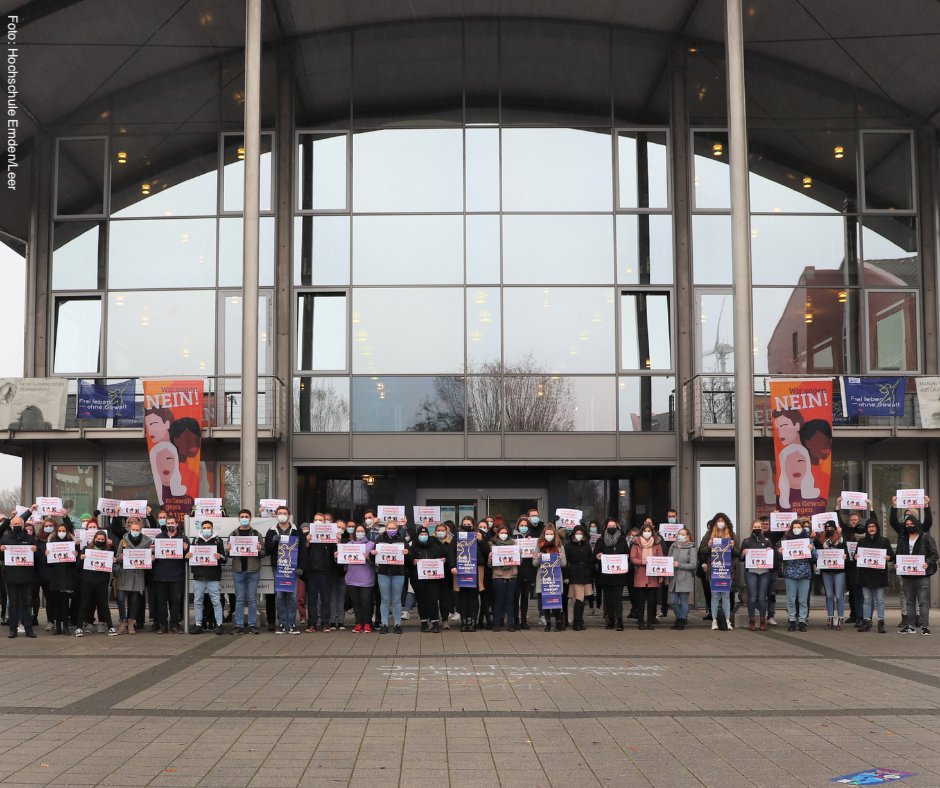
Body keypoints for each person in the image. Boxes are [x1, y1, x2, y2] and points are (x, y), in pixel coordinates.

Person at [889, 495, 933, 630]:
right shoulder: (902, 529)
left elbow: (929, 521)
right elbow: (893, 521)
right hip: (905, 567)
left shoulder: (922, 530)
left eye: (910, 515)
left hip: (919, 568)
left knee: (920, 595)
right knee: (905, 593)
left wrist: (926, 506)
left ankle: (919, 618)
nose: (907, 518)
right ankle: (906, 617)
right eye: (905, 516)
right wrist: (894, 505)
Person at [894, 513, 938, 636]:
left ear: (917, 524)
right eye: (907, 524)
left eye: (912, 524)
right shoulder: (903, 539)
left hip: (922, 575)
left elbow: (934, 555)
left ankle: (925, 626)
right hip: (907, 575)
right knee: (909, 601)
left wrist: (927, 563)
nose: (909, 526)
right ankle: (910, 626)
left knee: (923, 601)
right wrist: (897, 564)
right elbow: (898, 555)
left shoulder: (926, 538)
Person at [264, 505, 301, 634]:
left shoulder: (296, 531)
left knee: (292, 596)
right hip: (278, 568)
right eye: (280, 513)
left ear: (288, 515)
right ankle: (282, 624)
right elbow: (267, 551)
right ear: (276, 515)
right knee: (279, 596)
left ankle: (292, 624)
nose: (282, 515)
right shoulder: (271, 531)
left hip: (292, 568)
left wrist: (301, 567)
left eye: (284, 513)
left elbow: (302, 550)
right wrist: (274, 541)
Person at [227, 510, 265, 634]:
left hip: (253, 570)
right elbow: (228, 554)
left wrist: (259, 549)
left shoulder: (256, 534)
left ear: (250, 518)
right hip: (238, 571)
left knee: (252, 599)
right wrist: (228, 549)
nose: (244, 518)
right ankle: (239, 625)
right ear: (239, 519)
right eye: (242, 517)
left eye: (246, 516)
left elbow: (263, 553)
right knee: (239, 599)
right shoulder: (233, 534)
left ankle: (252, 625)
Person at [699, 514, 739, 631]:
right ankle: (714, 620)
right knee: (715, 595)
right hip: (714, 569)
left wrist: (732, 547)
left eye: (722, 520)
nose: (720, 522)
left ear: (726, 522)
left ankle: (727, 620)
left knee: (726, 595)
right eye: (718, 521)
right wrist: (709, 546)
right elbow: (701, 551)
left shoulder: (732, 535)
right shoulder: (709, 535)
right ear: (715, 523)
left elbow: (738, 552)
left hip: (727, 569)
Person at [836, 496, 872, 625]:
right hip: (850, 565)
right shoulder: (846, 530)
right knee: (851, 591)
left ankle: (861, 615)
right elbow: (838, 520)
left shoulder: (864, 531)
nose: (853, 522)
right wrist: (838, 506)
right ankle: (853, 615)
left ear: (859, 520)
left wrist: (870, 507)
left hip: (862, 565)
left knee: (861, 592)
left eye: (855, 520)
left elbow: (874, 522)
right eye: (851, 520)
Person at [187, 520, 226, 635]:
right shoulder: (195, 541)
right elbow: (189, 558)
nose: (206, 529)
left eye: (208, 527)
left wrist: (220, 556)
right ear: (201, 529)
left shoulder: (218, 541)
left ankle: (219, 624)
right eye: (204, 528)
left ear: (212, 528)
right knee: (197, 601)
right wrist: (188, 556)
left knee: (216, 601)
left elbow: (224, 559)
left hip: (213, 576)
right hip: (199, 576)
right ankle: (198, 624)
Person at [151, 514, 189, 633]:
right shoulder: (159, 538)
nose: (170, 525)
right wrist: (152, 552)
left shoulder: (183, 538)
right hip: (160, 575)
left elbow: (188, 558)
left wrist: (186, 550)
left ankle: (174, 624)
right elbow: (153, 556)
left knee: (176, 601)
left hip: (177, 576)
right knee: (161, 601)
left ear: (177, 524)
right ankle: (163, 625)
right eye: (168, 523)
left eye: (172, 523)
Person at [114, 517, 153, 635]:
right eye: (133, 529)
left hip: (137, 574)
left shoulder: (147, 542)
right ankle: (123, 622)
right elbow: (117, 557)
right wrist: (120, 557)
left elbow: (148, 557)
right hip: (124, 574)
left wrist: (151, 558)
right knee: (121, 599)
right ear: (129, 529)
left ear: (141, 529)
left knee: (135, 600)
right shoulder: (123, 541)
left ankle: (131, 624)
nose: (135, 531)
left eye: (137, 530)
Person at [75, 528, 117, 637]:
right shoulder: (86, 549)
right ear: (94, 539)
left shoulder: (108, 551)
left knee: (104, 605)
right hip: (87, 582)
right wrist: (81, 558)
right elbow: (78, 565)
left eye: (102, 539)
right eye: (98, 539)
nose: (100, 541)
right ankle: (79, 627)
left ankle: (111, 627)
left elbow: (110, 565)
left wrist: (113, 560)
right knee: (84, 604)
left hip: (102, 582)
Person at [0, 515, 37, 637]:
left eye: (19, 524)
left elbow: (36, 558)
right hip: (11, 576)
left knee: (27, 603)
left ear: (23, 525)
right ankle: (13, 629)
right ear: (11, 525)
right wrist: (1, 550)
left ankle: (29, 629)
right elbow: (1, 557)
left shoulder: (30, 539)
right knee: (13, 604)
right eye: (14, 524)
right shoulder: (5, 538)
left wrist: (35, 550)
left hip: (27, 576)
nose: (17, 526)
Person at [856, 517, 894, 634]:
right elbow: (857, 555)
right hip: (865, 574)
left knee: (880, 600)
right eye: (869, 527)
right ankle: (866, 622)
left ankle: (881, 622)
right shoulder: (862, 542)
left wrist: (888, 557)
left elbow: (891, 555)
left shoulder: (884, 541)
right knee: (867, 600)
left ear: (877, 528)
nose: (871, 529)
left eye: (873, 527)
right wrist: (856, 556)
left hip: (879, 575)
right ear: (866, 529)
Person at [778, 517, 817, 632]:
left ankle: (802, 621)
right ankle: (792, 620)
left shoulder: (808, 541)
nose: (796, 529)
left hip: (804, 574)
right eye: (794, 527)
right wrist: (780, 553)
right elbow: (781, 559)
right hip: (790, 574)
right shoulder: (786, 540)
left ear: (802, 528)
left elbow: (815, 558)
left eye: (798, 527)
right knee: (791, 599)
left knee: (803, 600)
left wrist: (811, 550)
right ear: (791, 528)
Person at [371, 517, 409, 634]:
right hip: (383, 573)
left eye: (393, 528)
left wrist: (407, 553)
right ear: (386, 528)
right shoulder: (379, 539)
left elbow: (410, 557)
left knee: (397, 600)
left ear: (397, 529)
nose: (391, 530)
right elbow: (372, 557)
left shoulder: (402, 540)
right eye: (389, 528)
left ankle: (397, 624)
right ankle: (384, 624)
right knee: (385, 600)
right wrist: (372, 553)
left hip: (398, 573)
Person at [301, 514, 336, 632]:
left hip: (325, 573)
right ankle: (312, 624)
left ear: (325, 522)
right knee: (312, 600)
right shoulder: (307, 535)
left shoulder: (330, 535)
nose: (318, 522)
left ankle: (325, 623)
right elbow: (302, 551)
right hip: (311, 573)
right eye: (315, 520)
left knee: (325, 600)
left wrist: (337, 543)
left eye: (320, 520)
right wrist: (307, 542)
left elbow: (335, 552)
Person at [410, 525, 448, 633]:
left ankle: (435, 622)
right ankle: (424, 623)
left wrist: (444, 560)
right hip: (418, 579)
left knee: (433, 599)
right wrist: (413, 561)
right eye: (421, 534)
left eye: (425, 534)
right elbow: (408, 560)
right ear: (418, 536)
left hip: (433, 579)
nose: (423, 536)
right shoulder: (413, 546)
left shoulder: (435, 545)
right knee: (421, 600)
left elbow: (444, 555)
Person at [594, 518, 629, 631]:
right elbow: (595, 554)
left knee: (617, 599)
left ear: (617, 527)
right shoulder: (601, 540)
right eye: (610, 526)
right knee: (608, 599)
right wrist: (597, 556)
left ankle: (619, 621)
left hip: (619, 575)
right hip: (605, 575)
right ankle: (610, 620)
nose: (612, 528)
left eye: (613, 526)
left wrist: (626, 557)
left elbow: (627, 553)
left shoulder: (622, 540)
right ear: (606, 527)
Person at [740, 518, 774, 631]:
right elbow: (740, 558)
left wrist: (770, 551)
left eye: (759, 527)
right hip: (751, 571)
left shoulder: (768, 541)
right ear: (751, 528)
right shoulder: (746, 541)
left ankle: (763, 620)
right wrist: (743, 553)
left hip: (765, 572)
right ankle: (752, 620)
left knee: (762, 597)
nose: (757, 529)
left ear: (762, 528)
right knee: (752, 597)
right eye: (755, 527)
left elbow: (773, 557)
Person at [629, 522, 663, 630]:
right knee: (640, 601)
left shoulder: (657, 544)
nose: (647, 533)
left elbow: (661, 559)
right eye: (645, 531)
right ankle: (640, 622)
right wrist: (643, 561)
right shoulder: (636, 544)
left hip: (653, 576)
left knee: (652, 601)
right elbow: (632, 558)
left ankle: (650, 622)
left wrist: (661, 575)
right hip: (640, 574)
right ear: (641, 532)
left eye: (649, 531)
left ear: (652, 532)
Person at [534, 523, 566, 631]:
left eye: (551, 534)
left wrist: (561, 558)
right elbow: (534, 563)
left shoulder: (560, 547)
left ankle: (558, 623)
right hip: (543, 578)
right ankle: (548, 624)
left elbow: (564, 564)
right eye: (547, 534)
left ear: (554, 534)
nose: (549, 536)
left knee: (556, 600)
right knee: (545, 601)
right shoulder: (539, 546)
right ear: (544, 535)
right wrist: (539, 557)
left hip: (555, 578)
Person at [818, 519, 848, 630]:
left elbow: (846, 553)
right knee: (829, 595)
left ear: (835, 529)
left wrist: (845, 556)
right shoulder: (822, 540)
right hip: (826, 571)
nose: (829, 530)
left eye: (831, 528)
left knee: (839, 595)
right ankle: (830, 618)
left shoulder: (841, 539)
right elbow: (817, 552)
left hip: (838, 571)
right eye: (827, 528)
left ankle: (840, 619)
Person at [344, 524, 376, 633]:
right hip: (352, 578)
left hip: (366, 579)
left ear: (366, 532)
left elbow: (375, 561)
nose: (360, 533)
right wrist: (337, 556)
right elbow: (343, 562)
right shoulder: (348, 545)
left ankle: (367, 623)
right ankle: (358, 623)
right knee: (356, 602)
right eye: (358, 531)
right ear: (354, 532)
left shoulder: (371, 544)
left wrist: (369, 557)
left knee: (366, 601)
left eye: (362, 531)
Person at [487, 522, 518, 632]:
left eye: (505, 533)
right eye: (501, 532)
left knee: (510, 600)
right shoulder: (493, 545)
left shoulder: (514, 544)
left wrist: (518, 554)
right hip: (498, 575)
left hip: (512, 575)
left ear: (508, 534)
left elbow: (519, 561)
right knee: (499, 600)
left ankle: (510, 624)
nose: (503, 534)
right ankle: (496, 623)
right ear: (498, 534)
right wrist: (490, 558)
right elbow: (490, 565)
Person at [453, 527, 483, 632]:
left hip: (474, 571)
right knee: (462, 598)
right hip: (461, 571)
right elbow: (450, 552)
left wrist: (480, 540)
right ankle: (464, 620)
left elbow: (486, 552)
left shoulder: (477, 537)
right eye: (465, 525)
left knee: (473, 598)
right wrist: (452, 566)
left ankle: (473, 621)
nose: (467, 526)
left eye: (469, 524)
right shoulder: (457, 539)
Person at [564, 524, 594, 631]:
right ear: (573, 534)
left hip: (586, 575)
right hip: (575, 575)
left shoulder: (587, 546)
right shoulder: (569, 546)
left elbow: (591, 560)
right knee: (578, 599)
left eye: (581, 533)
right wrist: (566, 576)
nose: (579, 535)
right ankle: (576, 622)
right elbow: (566, 562)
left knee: (583, 599)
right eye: (577, 533)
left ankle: (580, 620)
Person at [668, 527, 697, 630]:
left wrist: (679, 565)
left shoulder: (691, 548)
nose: (680, 536)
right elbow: (668, 561)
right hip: (673, 578)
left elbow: (693, 565)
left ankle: (681, 621)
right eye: (679, 534)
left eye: (683, 534)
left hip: (685, 578)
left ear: (687, 536)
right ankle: (680, 618)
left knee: (684, 601)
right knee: (673, 602)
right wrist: (667, 577)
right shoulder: (673, 546)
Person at [513, 516, 536, 630]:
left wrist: (532, 543)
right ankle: (516, 621)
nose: (523, 527)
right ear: (518, 526)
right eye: (521, 525)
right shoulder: (513, 538)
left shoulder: (532, 538)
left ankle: (524, 621)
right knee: (515, 597)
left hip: (528, 571)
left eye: (525, 525)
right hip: (516, 572)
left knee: (525, 597)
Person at [435, 522, 458, 628]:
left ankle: (445, 620)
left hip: (446, 574)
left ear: (447, 531)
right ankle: (434, 620)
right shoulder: (432, 541)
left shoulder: (451, 542)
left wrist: (447, 560)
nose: (440, 532)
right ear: (435, 532)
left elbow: (453, 555)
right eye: (438, 530)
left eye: (442, 530)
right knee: (433, 599)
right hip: (433, 575)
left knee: (445, 599)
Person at [657, 508, 679, 619]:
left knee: (678, 585)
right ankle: (664, 609)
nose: (671, 518)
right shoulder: (663, 529)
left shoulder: (681, 528)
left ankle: (680, 613)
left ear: (676, 516)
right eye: (669, 516)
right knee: (664, 586)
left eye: (673, 516)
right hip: (666, 559)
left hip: (677, 559)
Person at [330, 519, 350, 630]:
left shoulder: (346, 542)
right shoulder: (329, 541)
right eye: (338, 527)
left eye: (342, 528)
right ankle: (332, 622)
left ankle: (341, 622)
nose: (340, 529)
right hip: (332, 573)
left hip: (343, 573)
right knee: (332, 598)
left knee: (342, 598)